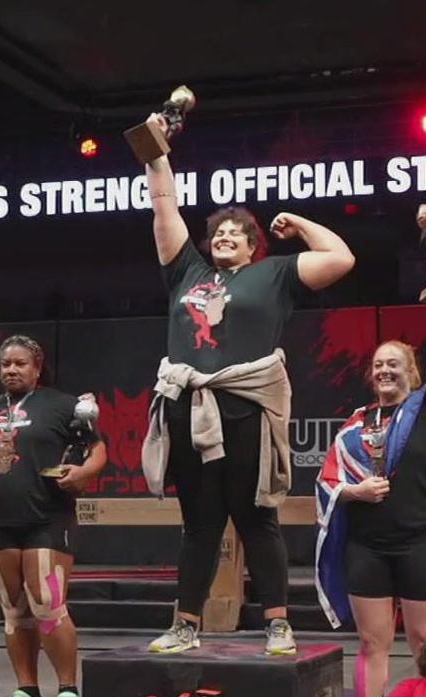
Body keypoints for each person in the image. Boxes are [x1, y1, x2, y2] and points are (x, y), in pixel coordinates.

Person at [139, 111, 355, 656]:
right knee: (199, 526)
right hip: (190, 409)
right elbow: (164, 204)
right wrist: (156, 150)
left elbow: (340, 258)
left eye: (236, 233)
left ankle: (278, 625)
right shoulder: (186, 271)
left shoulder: (275, 273)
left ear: (255, 245)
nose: (224, 237)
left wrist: (298, 222)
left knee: (257, 517)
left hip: (246, 408)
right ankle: (185, 626)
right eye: (218, 232)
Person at [0, 335, 106, 697]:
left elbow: (97, 449)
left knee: (47, 604)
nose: (11, 370)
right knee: (14, 609)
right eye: (6, 364)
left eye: (20, 363)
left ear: (37, 368)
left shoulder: (62, 405)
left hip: (46, 518)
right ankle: (27, 691)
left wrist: (84, 473)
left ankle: (68, 690)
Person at [316, 305, 426, 697]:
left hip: (423, 541)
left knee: (425, 640)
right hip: (368, 546)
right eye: (378, 364)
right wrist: (357, 492)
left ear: (412, 371)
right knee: (371, 643)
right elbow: (329, 481)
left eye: (394, 364)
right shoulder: (355, 424)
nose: (384, 370)